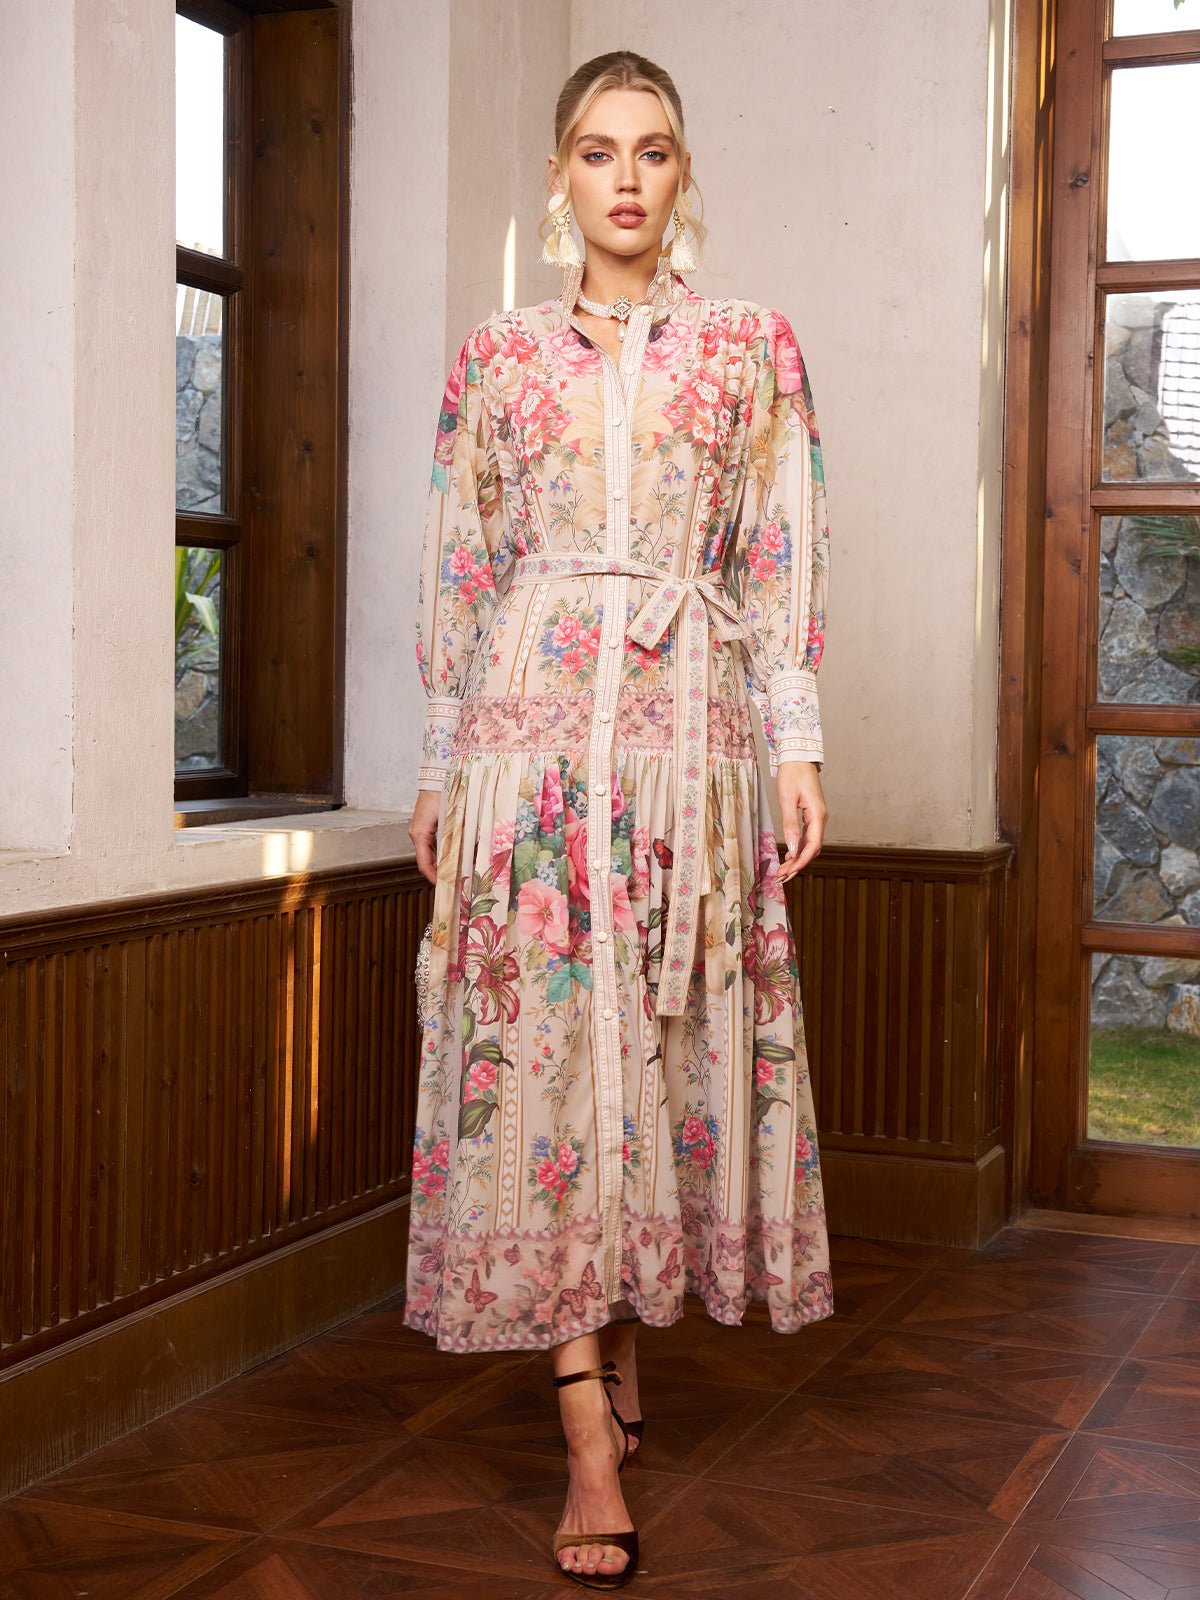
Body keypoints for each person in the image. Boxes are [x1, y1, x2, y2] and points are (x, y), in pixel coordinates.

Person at [405, 49, 834, 1591]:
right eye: (598, 152)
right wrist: (443, 766)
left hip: (689, 751)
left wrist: (793, 740)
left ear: (684, 171)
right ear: (558, 178)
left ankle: (627, 1332)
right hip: (526, 752)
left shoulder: (750, 350)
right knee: (543, 1064)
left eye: (653, 150)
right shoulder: (495, 361)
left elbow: (784, 543)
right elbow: (459, 567)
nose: (628, 179)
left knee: (652, 1057)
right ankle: (586, 1424)